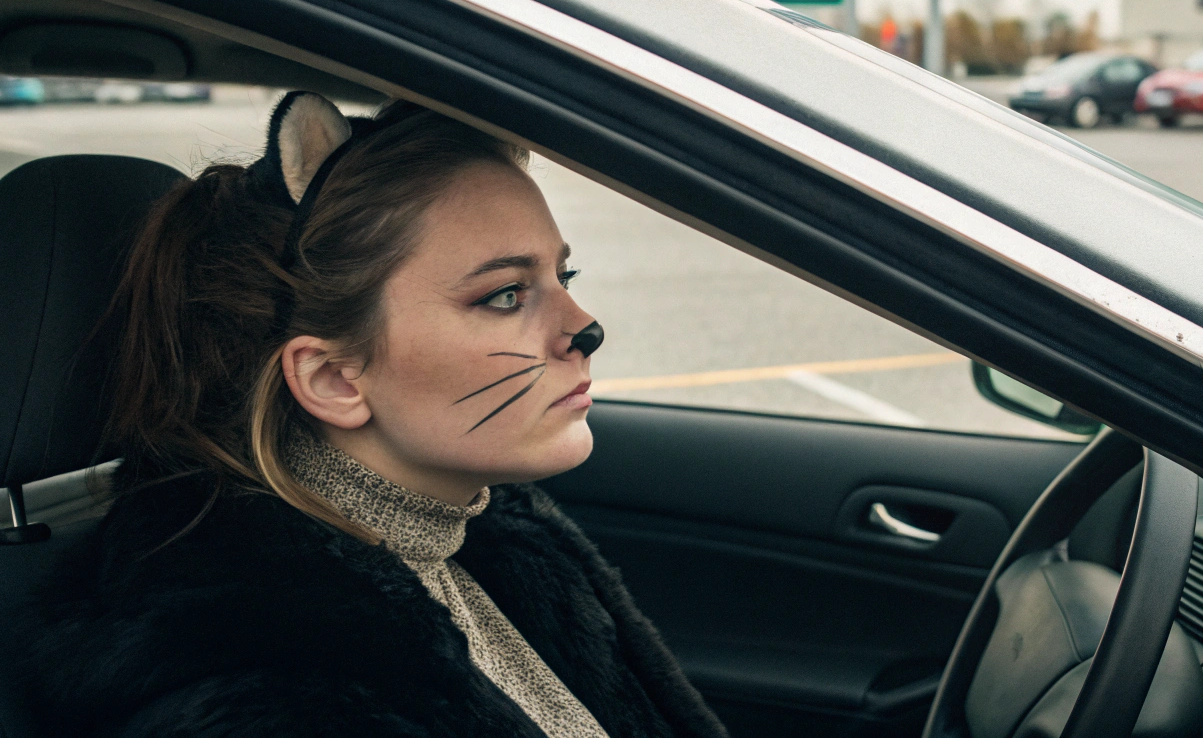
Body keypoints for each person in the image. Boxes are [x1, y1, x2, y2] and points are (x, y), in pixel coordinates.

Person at [31, 93, 729, 738]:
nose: (584, 325)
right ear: (334, 379)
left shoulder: (494, 539)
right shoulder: (265, 695)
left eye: (562, 278)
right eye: (507, 295)